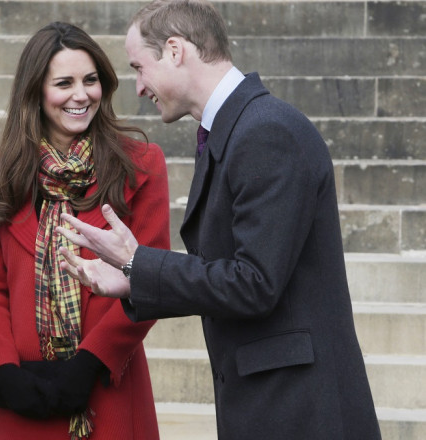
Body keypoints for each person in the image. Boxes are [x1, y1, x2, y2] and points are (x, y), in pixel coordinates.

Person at [56, 1, 382, 439]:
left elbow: (254, 283)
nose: (139, 87)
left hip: (301, 411)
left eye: (139, 67)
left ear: (175, 51)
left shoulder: (266, 131)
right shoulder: (236, 129)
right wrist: (135, 280)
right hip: (272, 404)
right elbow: (230, 273)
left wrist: (138, 262)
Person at [0, 22, 171, 440]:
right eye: (64, 83)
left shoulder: (143, 165)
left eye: (90, 80)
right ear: (36, 92)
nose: (81, 95)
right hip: (24, 395)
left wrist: (90, 362)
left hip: (107, 387)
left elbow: (151, 280)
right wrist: (1, 370)